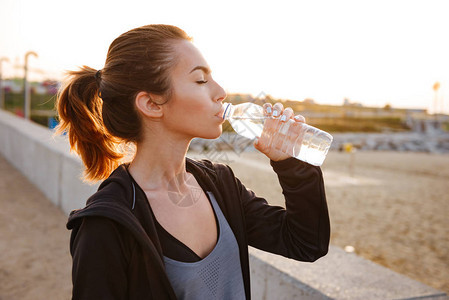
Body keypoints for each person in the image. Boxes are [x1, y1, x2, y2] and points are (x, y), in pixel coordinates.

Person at [57, 24, 330, 300]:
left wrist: (289, 162)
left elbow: (305, 243)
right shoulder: (108, 224)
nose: (221, 92)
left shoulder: (219, 184)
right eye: (201, 81)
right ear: (151, 103)